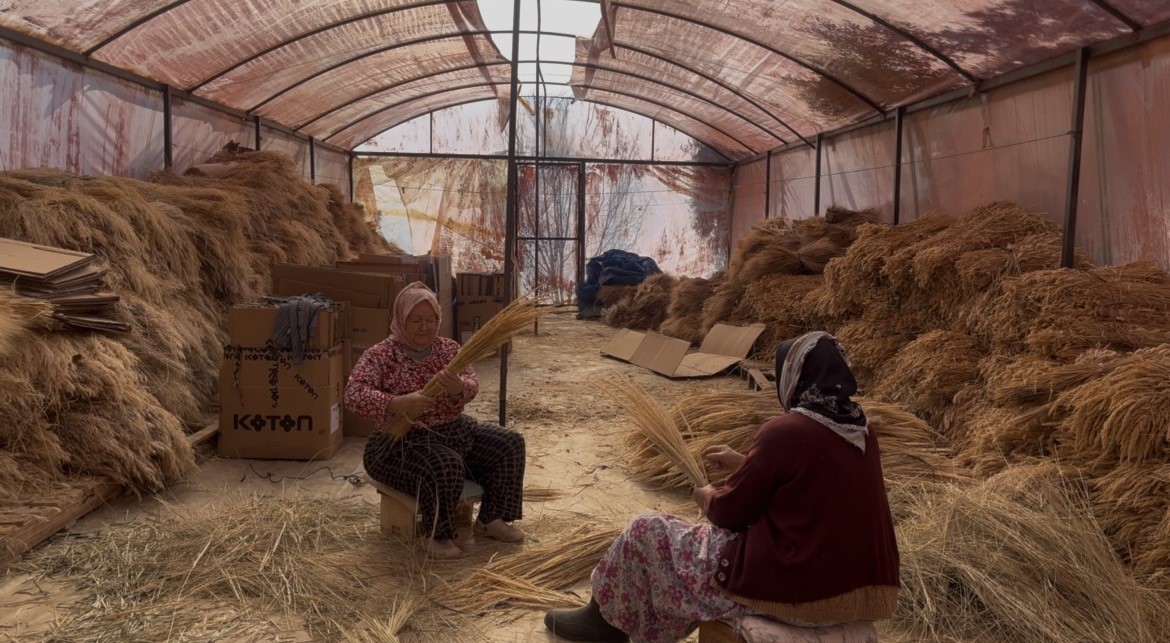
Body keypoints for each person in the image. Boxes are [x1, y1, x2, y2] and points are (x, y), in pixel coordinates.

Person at [545, 331, 900, 642]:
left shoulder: (786, 431)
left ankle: (605, 621)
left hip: (793, 595)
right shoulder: (861, 430)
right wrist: (743, 462)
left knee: (647, 530)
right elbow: (810, 487)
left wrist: (706, 497)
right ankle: (613, 618)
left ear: (796, 376)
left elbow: (729, 516)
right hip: (854, 593)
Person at [345, 282, 526, 559]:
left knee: (509, 443)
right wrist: (397, 403)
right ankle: (436, 536)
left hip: (454, 432)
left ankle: (492, 519)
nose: (424, 327)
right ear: (400, 319)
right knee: (445, 463)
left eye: (431, 320)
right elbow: (353, 394)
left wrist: (458, 389)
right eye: (415, 320)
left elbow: (471, 383)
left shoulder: (448, 349)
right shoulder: (381, 355)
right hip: (399, 443)